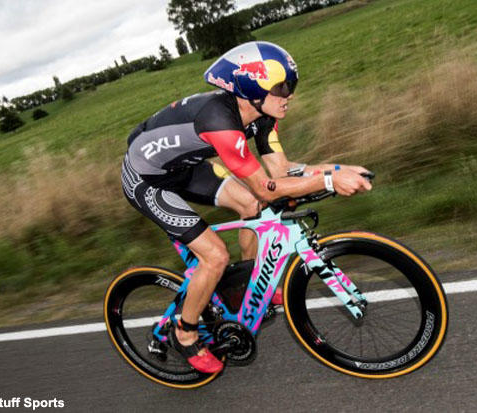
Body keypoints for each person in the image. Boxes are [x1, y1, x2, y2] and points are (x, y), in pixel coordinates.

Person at [121, 41, 371, 373]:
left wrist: (337, 169)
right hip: (147, 182)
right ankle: (184, 332)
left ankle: (244, 287)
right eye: (281, 87)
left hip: (184, 169)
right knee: (215, 256)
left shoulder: (262, 115)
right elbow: (267, 187)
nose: (289, 95)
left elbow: (282, 172)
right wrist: (329, 181)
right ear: (252, 89)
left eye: (291, 85)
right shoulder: (219, 121)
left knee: (253, 207)